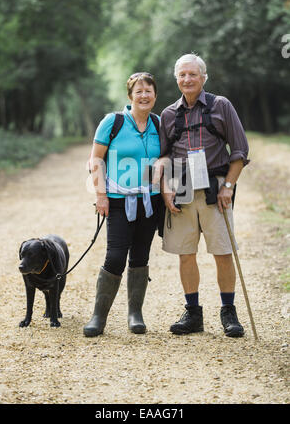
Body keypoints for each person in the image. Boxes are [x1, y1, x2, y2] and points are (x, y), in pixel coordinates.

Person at [158, 53, 249, 338]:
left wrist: (228, 187)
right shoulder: (168, 114)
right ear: (176, 79)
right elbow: (163, 156)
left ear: (203, 77)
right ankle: (193, 313)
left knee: (222, 251)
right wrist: (166, 189)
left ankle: (229, 312)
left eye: (193, 74)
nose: (187, 79)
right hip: (181, 186)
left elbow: (239, 151)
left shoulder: (221, 105)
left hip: (215, 185)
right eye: (182, 75)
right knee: (186, 253)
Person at [83, 72, 161, 337]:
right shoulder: (112, 122)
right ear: (130, 96)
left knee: (140, 256)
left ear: (155, 96)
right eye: (138, 91)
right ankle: (98, 317)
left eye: (148, 91)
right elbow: (96, 160)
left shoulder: (159, 124)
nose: (144, 95)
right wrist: (100, 195)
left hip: (149, 201)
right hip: (117, 200)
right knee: (115, 256)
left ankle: (135, 314)